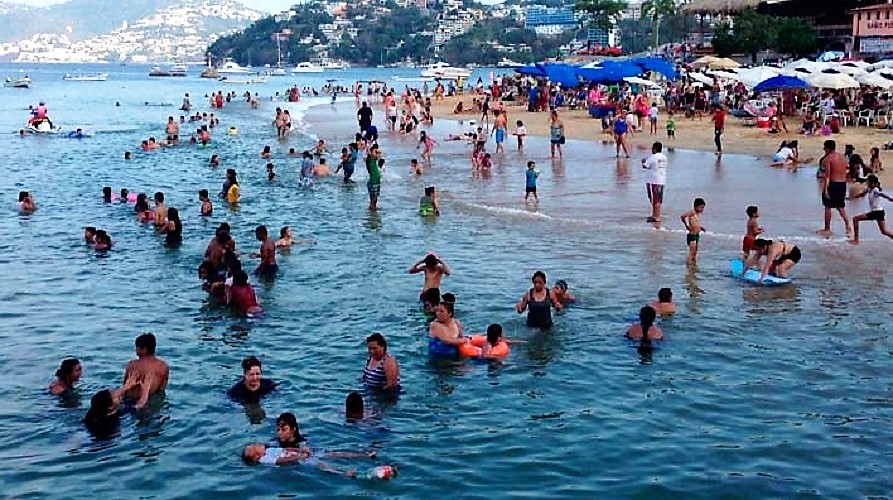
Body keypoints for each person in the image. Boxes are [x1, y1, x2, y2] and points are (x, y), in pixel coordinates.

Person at [240, 443, 376, 476]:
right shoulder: (265, 459)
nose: (257, 444)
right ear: (256, 456)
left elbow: (286, 450)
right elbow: (281, 461)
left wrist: (300, 451)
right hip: (299, 461)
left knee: (333, 453)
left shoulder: (269, 450)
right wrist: (300, 457)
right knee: (321, 464)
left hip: (301, 456)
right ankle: (343, 474)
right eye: (255, 447)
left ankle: (364, 455)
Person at [83, 373, 143, 438]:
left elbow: (109, 398)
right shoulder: (118, 415)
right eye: (116, 397)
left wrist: (126, 386)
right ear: (110, 407)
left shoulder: (92, 413)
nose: (118, 395)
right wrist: (146, 387)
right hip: (105, 440)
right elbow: (140, 404)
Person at [122, 333, 169, 408]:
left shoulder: (132, 365)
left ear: (144, 349)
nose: (135, 350)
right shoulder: (164, 366)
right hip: (151, 403)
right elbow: (161, 390)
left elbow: (125, 386)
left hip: (131, 402)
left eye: (137, 347)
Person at [818, 140, 852, 238]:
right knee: (840, 206)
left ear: (828, 148)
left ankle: (827, 228)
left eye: (824, 148)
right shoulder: (842, 157)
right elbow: (847, 169)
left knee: (828, 207)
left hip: (833, 184)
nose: (824, 150)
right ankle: (848, 225)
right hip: (842, 184)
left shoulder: (828, 159)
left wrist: (825, 189)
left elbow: (827, 176)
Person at [850, 174, 893, 244]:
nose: (867, 183)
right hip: (880, 212)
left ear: (874, 184)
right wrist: (852, 198)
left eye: (868, 182)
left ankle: (856, 240)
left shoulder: (875, 190)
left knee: (855, 219)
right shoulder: (869, 189)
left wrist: (889, 198)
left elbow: (881, 194)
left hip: (876, 212)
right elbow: (862, 194)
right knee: (884, 231)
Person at [642, 141, 668, 224]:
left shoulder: (653, 157)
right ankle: (655, 215)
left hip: (653, 181)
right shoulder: (664, 157)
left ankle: (656, 217)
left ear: (654, 149)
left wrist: (643, 161)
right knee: (658, 199)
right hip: (661, 181)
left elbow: (645, 165)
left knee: (654, 200)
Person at [680, 198, 706, 265]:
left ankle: (693, 265)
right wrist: (686, 225)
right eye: (701, 207)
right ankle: (688, 266)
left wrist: (701, 228)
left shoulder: (697, 214)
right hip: (692, 235)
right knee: (691, 253)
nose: (702, 209)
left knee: (694, 252)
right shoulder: (693, 212)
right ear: (696, 207)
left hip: (696, 235)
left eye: (703, 208)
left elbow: (695, 223)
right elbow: (682, 216)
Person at [366, 145, 382, 211]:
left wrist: (376, 151)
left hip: (376, 182)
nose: (376, 153)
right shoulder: (369, 160)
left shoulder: (374, 160)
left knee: (374, 199)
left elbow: (379, 154)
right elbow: (371, 154)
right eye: (375, 152)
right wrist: (371, 151)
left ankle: (372, 210)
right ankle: (373, 211)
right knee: (374, 199)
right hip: (373, 182)